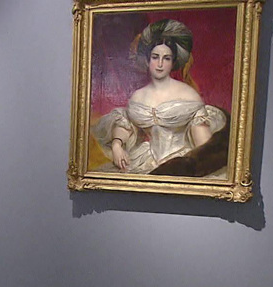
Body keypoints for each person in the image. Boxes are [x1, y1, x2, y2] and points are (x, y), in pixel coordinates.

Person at [92, 19, 228, 176]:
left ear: (173, 62)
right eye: (155, 57)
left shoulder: (188, 95)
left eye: (167, 58)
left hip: (179, 164)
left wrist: (196, 166)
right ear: (148, 59)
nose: (160, 64)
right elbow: (127, 124)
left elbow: (203, 147)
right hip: (144, 161)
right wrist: (117, 145)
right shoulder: (138, 96)